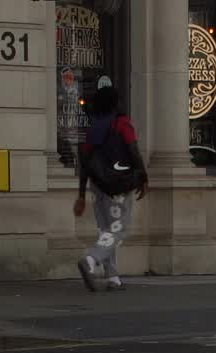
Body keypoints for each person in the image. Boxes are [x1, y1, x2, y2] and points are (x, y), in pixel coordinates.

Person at [72, 79, 149, 291]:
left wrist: (81, 194)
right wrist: (143, 177)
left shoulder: (92, 128)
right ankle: (91, 260)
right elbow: (133, 150)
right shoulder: (122, 123)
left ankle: (113, 277)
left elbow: (85, 163)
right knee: (118, 229)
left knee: (106, 230)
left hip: (97, 185)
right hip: (117, 185)